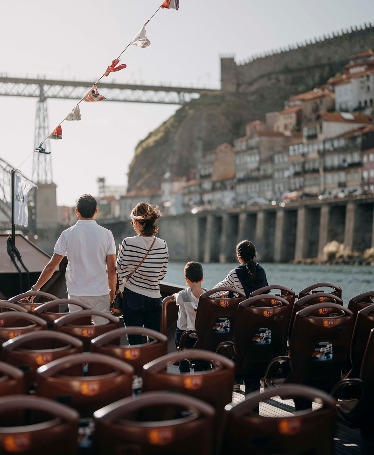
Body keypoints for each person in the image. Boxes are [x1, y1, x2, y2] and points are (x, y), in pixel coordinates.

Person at [30, 194, 117, 325]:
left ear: (77, 211)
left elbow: (52, 266)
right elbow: (112, 270)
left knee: (77, 331)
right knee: (102, 333)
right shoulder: (107, 234)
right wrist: (112, 294)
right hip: (100, 292)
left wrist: (35, 289)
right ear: (96, 212)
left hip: (76, 293)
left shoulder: (67, 234)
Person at [117, 202, 168, 344]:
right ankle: (153, 366)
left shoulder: (128, 242)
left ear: (139, 222)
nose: (132, 224)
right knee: (154, 343)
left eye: (133, 221)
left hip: (133, 296)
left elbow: (119, 268)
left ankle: (138, 366)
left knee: (135, 343)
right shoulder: (162, 244)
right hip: (154, 298)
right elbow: (162, 273)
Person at [173, 261, 206, 372]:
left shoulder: (183, 295)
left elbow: (177, 299)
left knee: (183, 358)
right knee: (200, 360)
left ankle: (185, 379)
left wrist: (174, 295)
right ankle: (200, 378)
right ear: (202, 278)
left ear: (186, 280)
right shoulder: (207, 296)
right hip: (200, 334)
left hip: (184, 334)